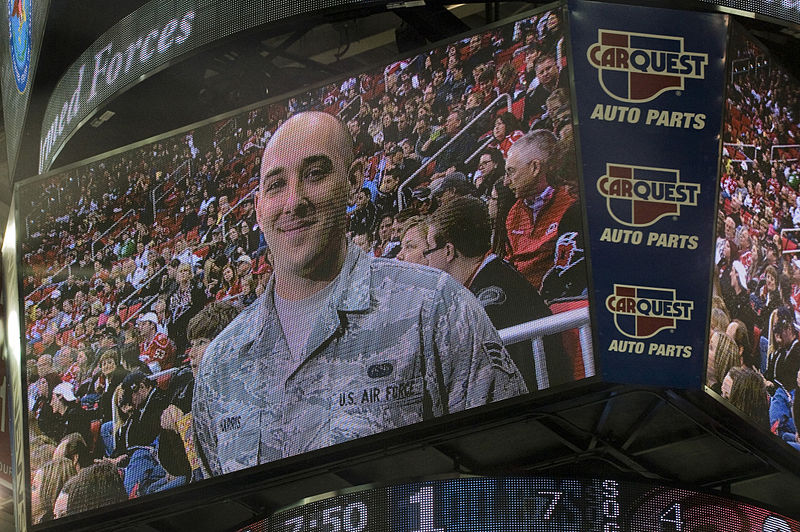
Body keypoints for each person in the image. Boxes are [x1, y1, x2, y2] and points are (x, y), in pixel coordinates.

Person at [193, 111, 527, 476]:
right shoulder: (220, 366)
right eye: (275, 185)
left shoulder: (434, 307)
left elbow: (510, 477)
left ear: (353, 181)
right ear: (258, 207)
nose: (293, 202)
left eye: (315, 174)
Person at [425, 196, 570, 390]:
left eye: (429, 250)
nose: (427, 259)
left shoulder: (495, 292)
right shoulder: (490, 275)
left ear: (449, 251)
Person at [503, 129, 585, 298]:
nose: (506, 182)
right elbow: (510, 262)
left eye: (511, 171)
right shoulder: (514, 213)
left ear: (535, 167)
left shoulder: (572, 200)